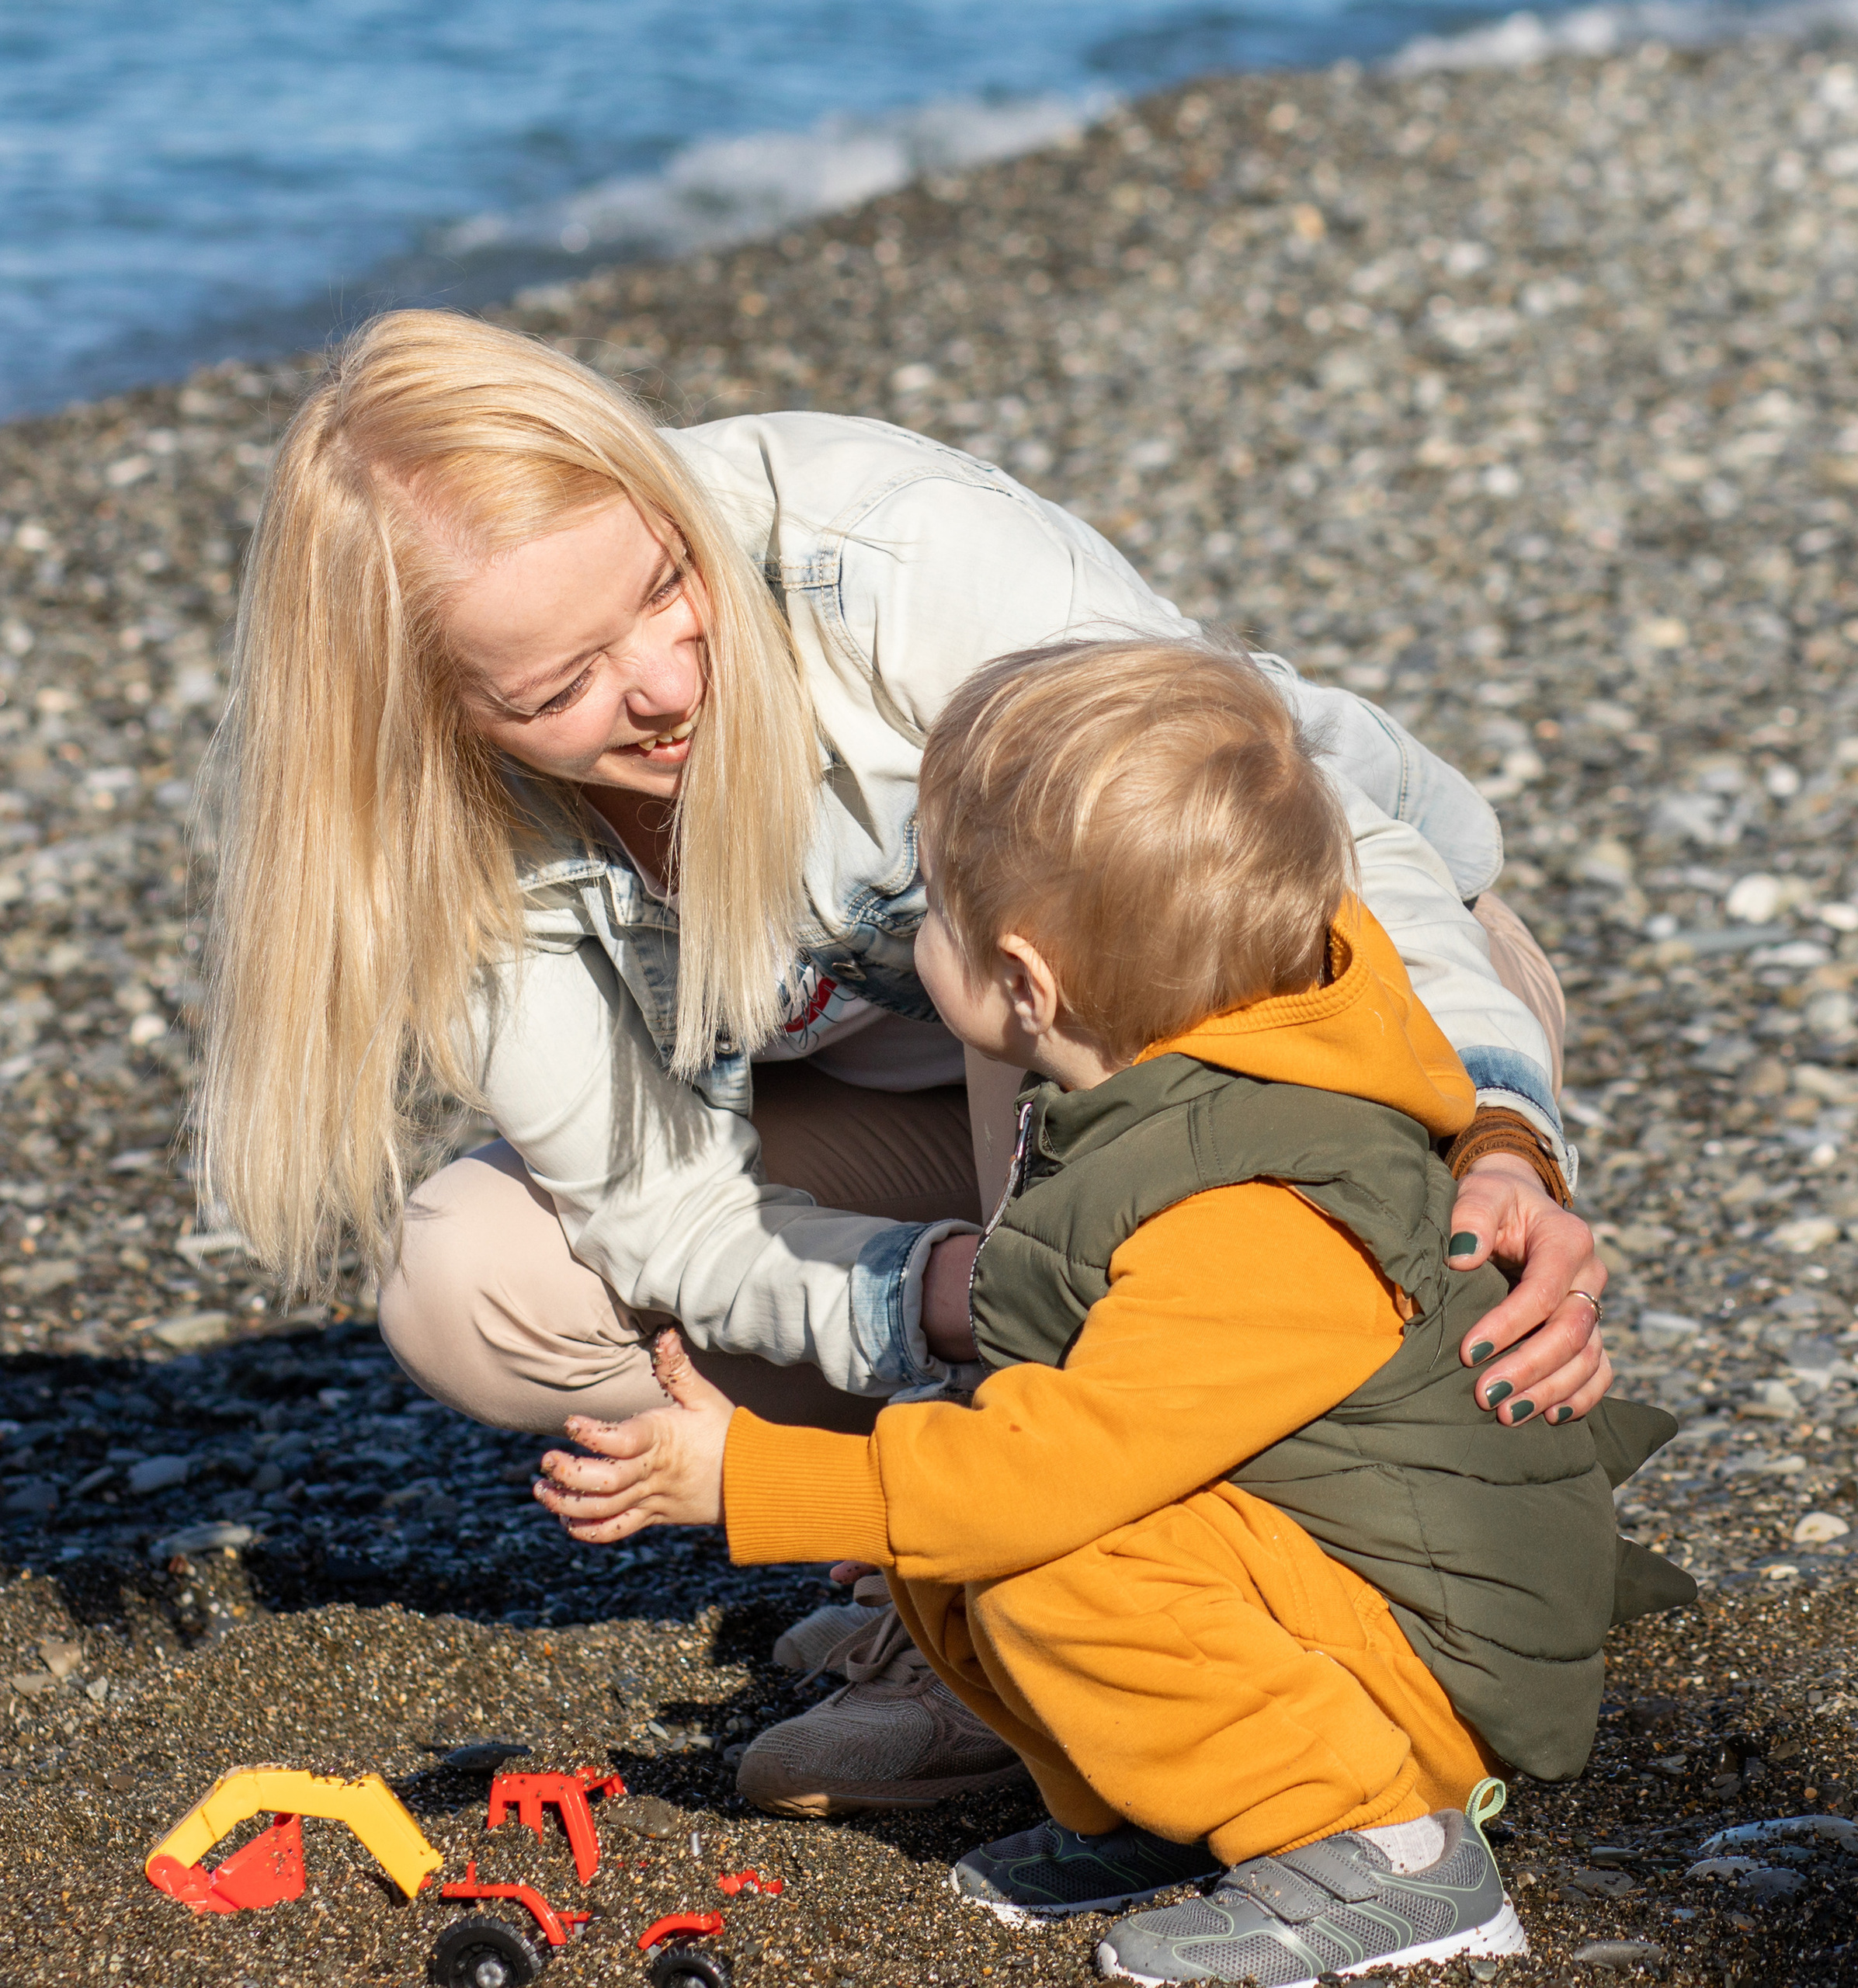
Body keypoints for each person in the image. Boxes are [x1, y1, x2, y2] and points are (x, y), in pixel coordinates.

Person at [196, 308, 1612, 1815]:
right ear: (431, 713)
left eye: (666, 584)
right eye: (560, 692)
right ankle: (984, 1545)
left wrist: (1500, 1134)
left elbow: (1316, 863)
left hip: (1315, 995)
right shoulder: (434, 823)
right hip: (954, 1112)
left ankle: (1080, 1613)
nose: (666, 681)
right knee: (475, 1279)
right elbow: (660, 1210)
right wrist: (934, 1293)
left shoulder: (894, 553)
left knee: (1046, 981)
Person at [530, 637, 1692, 1983]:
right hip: (1334, 1582)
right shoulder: (1177, 1082)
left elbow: (1044, 1479)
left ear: (1025, 980)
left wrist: (753, 1477)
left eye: (935, 909)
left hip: (1424, 1668)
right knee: (975, 1503)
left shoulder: (1254, 1207)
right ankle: (1189, 1808)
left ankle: (1384, 1855)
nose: (914, 930)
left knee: (1038, 1545)